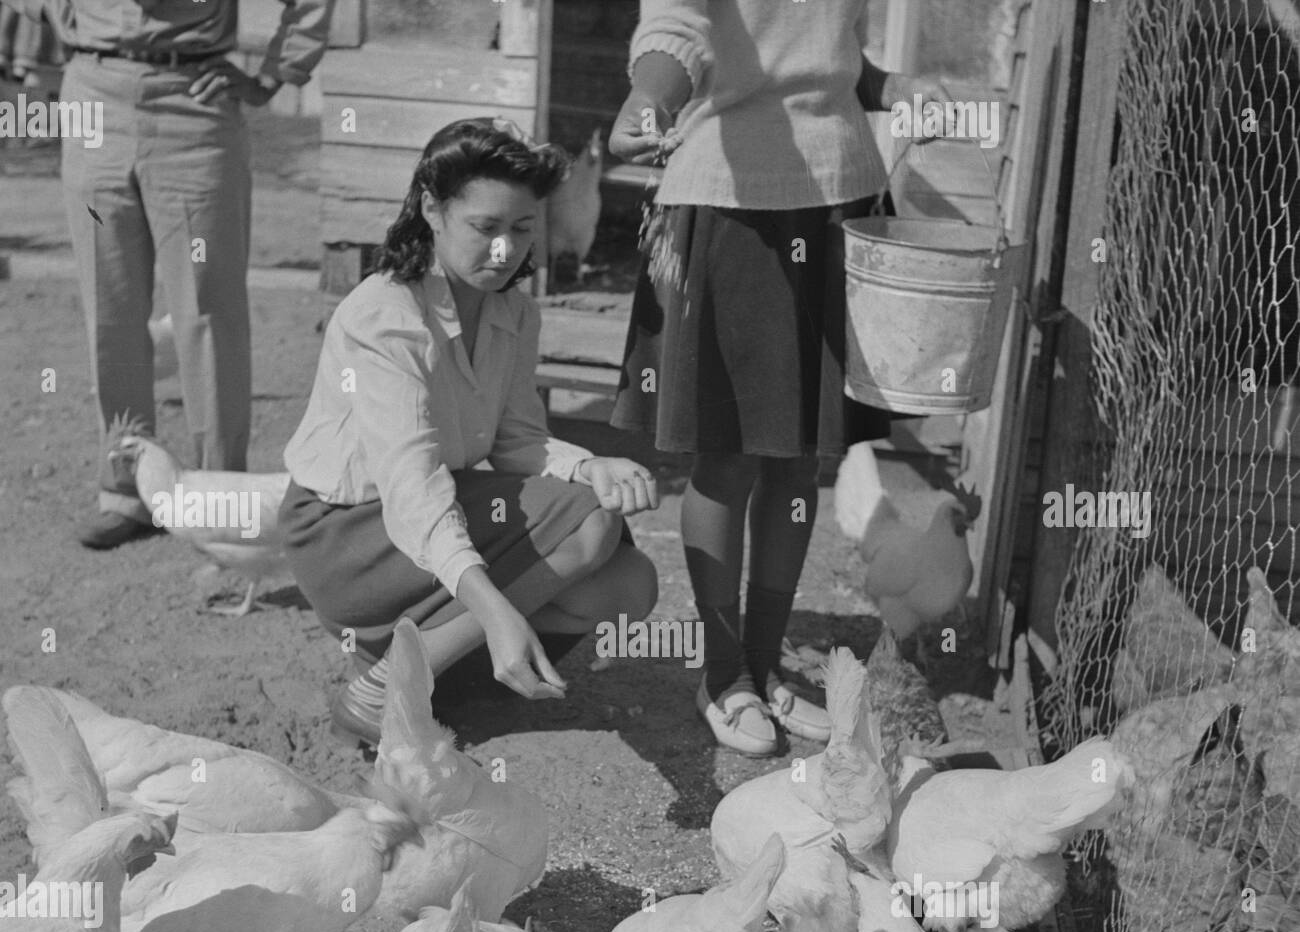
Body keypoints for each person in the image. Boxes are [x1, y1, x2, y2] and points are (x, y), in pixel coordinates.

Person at [609, 0, 950, 757]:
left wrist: (891, 87)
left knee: (798, 461)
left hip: (841, 201)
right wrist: (652, 96)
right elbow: (678, 28)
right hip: (735, 205)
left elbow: (824, 54)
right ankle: (722, 674)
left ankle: (764, 665)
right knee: (728, 457)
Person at [280, 119, 660, 747]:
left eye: (523, 228)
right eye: (485, 228)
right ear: (432, 209)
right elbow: (413, 487)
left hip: (429, 513)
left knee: (630, 584)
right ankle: (387, 685)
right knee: (589, 523)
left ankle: (439, 671)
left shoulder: (515, 310)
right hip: (347, 533)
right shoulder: (385, 317)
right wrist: (494, 609)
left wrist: (589, 466)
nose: (505, 251)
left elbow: (515, 438)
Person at [18, 0, 333, 548]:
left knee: (208, 313)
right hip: (93, 92)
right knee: (109, 309)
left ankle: (220, 503)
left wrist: (272, 74)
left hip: (194, 101)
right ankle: (126, 489)